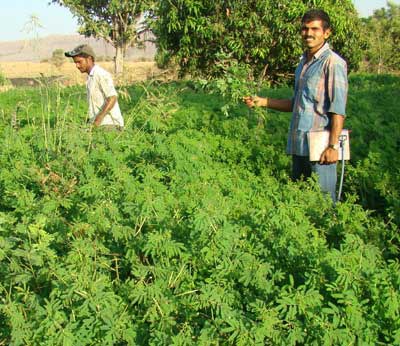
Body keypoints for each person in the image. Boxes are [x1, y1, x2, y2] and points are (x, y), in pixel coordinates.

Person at [243, 9, 348, 202]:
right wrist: (263, 102)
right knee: (299, 198)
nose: (308, 33)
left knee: (323, 201)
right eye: (305, 28)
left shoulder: (333, 63)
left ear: (327, 32)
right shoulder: (303, 63)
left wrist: (333, 146)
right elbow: (298, 104)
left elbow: (338, 110)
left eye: (314, 29)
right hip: (299, 142)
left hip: (321, 146)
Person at [65, 44, 124, 129]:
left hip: (110, 125)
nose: (77, 66)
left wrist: (97, 121)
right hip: (100, 125)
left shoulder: (100, 74)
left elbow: (112, 98)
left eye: (79, 62)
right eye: (75, 63)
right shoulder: (91, 77)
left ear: (89, 59)